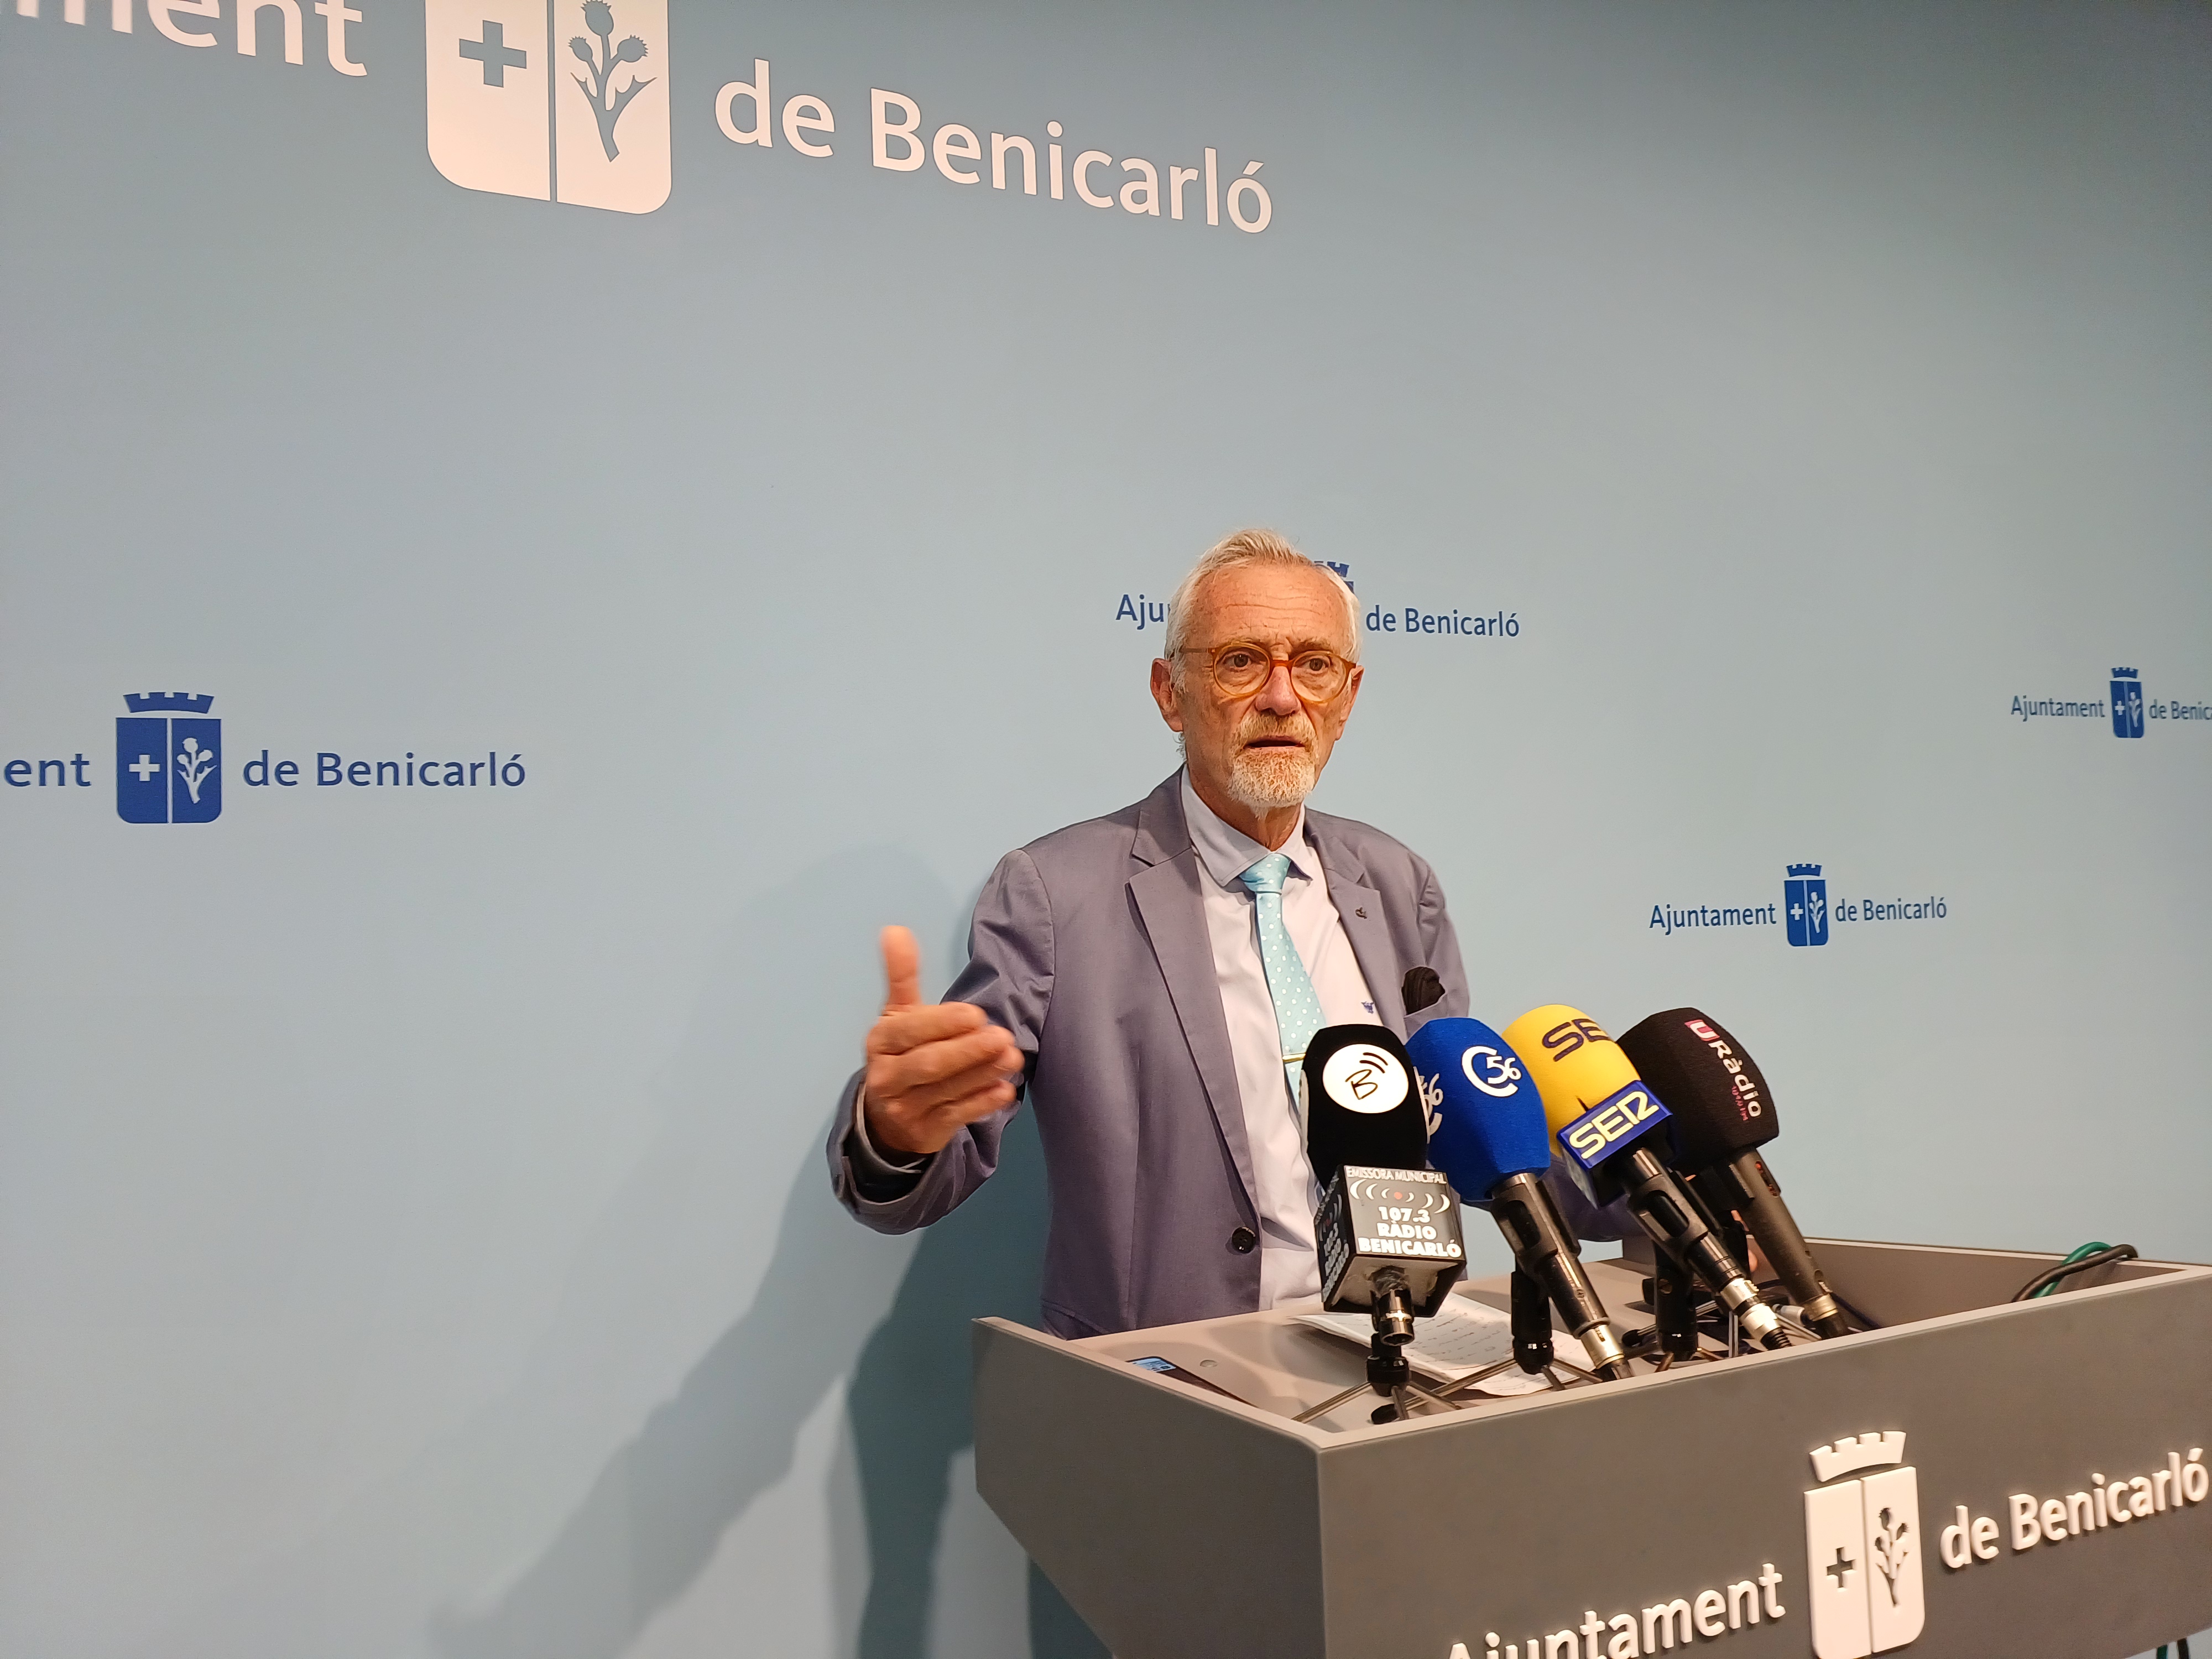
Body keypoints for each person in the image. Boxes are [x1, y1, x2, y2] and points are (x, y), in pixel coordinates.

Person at [827, 529, 1623, 1337]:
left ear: (1347, 698)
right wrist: (896, 1131)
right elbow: (938, 1148)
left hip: (1397, 1345)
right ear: (1170, 692)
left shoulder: (1396, 882)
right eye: (1241, 661)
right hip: (1171, 1375)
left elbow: (1468, 1125)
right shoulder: (1055, 893)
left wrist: (1650, 1192)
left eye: (1314, 665)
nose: (1282, 697)